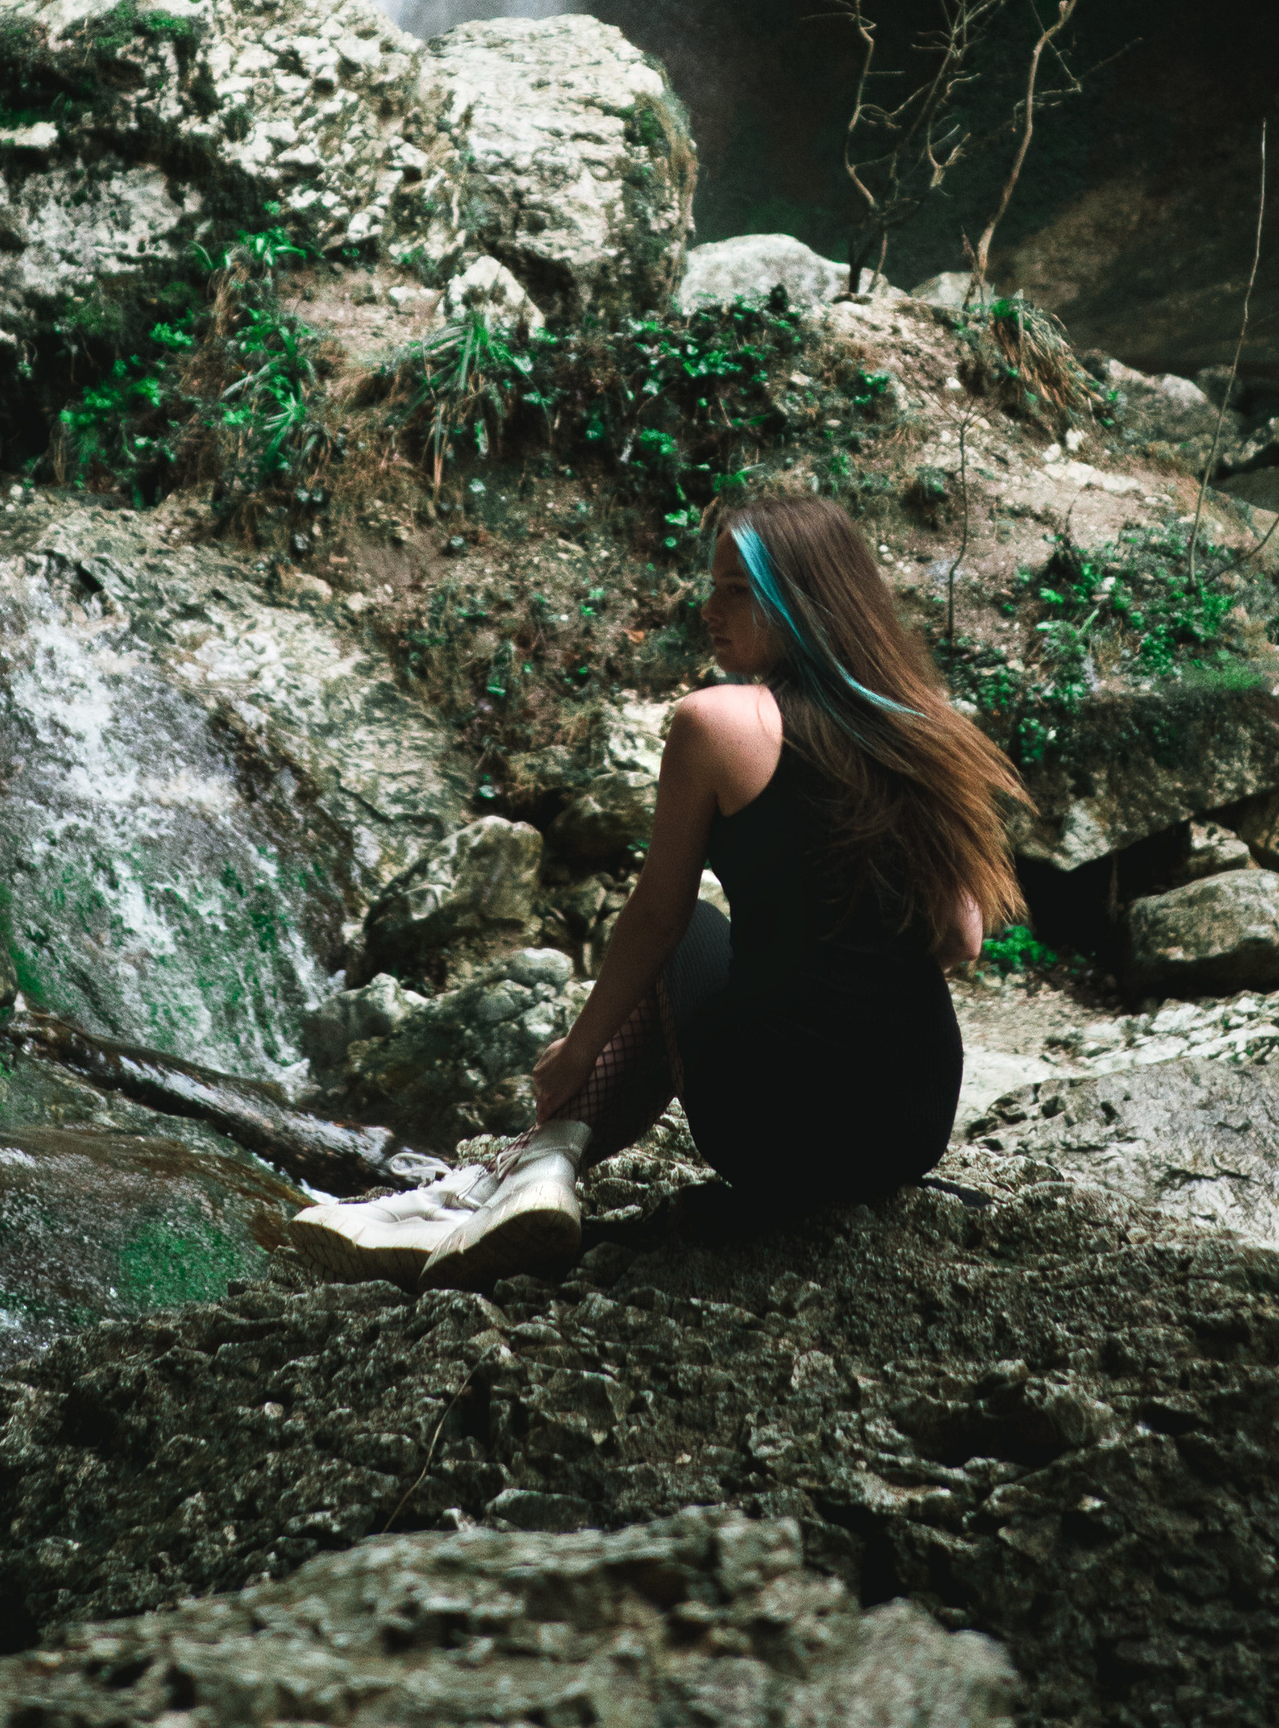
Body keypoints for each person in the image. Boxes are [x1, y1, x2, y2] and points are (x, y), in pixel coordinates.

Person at [291, 492, 1031, 1287]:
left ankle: (522, 1173)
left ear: (804, 601)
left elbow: (654, 918)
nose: (706, 609)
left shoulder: (716, 721)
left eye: (734, 590)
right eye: (710, 586)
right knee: (714, 939)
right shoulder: (923, 726)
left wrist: (575, 1055)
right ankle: (519, 1178)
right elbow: (962, 938)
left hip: (776, 1133)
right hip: (911, 1128)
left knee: (694, 931)